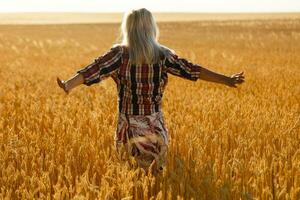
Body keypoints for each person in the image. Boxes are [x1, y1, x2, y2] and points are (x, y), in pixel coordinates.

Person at [57, 8, 244, 173]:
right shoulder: (162, 55)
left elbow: (94, 69)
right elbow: (192, 70)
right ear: (151, 28)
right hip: (155, 127)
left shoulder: (119, 54)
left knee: (132, 179)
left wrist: (68, 84)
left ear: (128, 28)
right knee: (157, 177)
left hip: (128, 129)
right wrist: (226, 80)